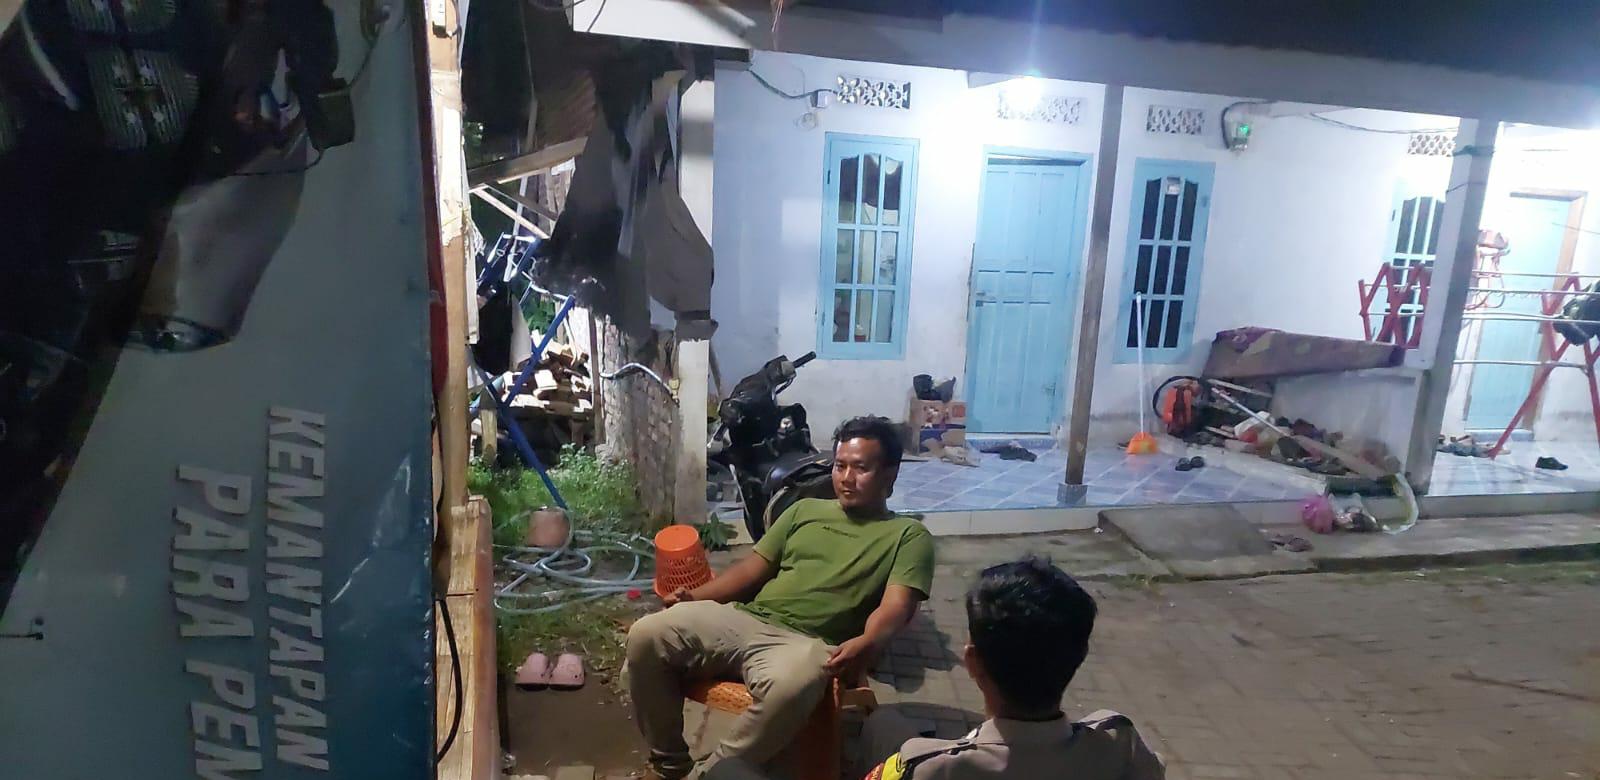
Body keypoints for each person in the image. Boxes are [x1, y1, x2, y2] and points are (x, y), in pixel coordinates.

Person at [626, 416, 936, 780]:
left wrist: (868, 641)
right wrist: (693, 596)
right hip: (745, 619)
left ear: (890, 475)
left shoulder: (907, 535)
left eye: (861, 468)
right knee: (647, 634)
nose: (846, 478)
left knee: (795, 682)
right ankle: (670, 763)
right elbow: (750, 571)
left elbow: (897, 606)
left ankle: (711, 774)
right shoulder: (804, 510)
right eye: (840, 466)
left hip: (806, 644)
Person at [860, 558, 1164, 780]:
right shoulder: (1119, 743)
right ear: (1080, 655)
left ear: (972, 662)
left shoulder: (925, 767)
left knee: (882, 723)